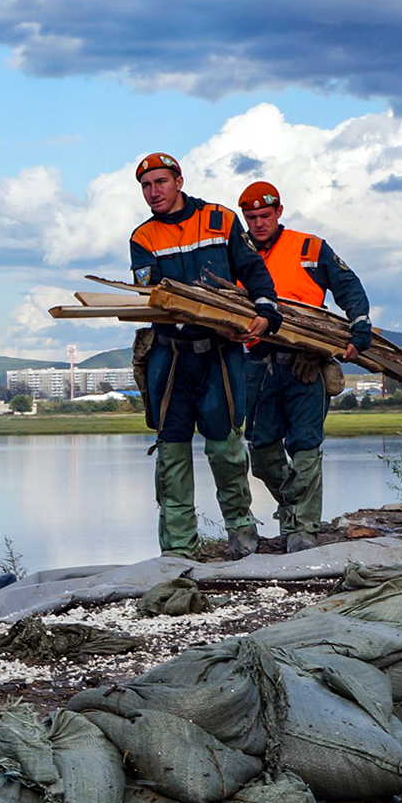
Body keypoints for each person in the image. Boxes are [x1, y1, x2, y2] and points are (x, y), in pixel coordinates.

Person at [130, 155, 283, 559]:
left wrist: (266, 312)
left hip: (219, 354)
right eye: (146, 186)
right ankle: (179, 549)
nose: (154, 192)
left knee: (225, 448)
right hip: (171, 357)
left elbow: (253, 272)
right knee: (172, 451)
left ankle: (242, 534)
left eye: (161, 182)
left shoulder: (220, 219)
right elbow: (148, 296)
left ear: (179, 181)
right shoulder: (143, 238)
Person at [236, 181, 370, 552]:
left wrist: (359, 327)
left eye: (265, 215)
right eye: (251, 217)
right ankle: (294, 504)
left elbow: (349, 287)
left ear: (279, 211)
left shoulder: (310, 248)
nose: (259, 223)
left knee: (306, 445)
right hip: (259, 362)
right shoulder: (238, 251)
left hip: (306, 362)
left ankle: (303, 528)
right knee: (261, 451)